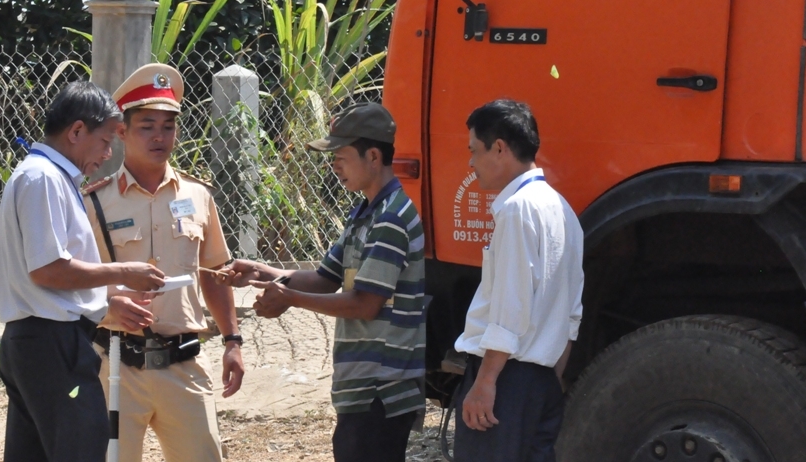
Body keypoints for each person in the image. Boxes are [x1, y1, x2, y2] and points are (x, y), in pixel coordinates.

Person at [219, 102, 426, 462]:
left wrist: (288, 297)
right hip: (365, 386)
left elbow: (365, 303)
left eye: (341, 157)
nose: (334, 166)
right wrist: (263, 272)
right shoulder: (365, 213)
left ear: (373, 156)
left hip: (381, 389)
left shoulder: (390, 219)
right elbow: (325, 278)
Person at [0, 81, 165, 462]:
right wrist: (122, 271)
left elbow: (50, 271)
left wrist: (109, 294)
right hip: (53, 345)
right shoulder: (43, 179)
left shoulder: (46, 177)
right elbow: (49, 271)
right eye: (105, 141)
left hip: (40, 343)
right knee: (81, 448)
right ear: (76, 131)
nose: (107, 154)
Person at [82, 63, 245, 462]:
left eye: (168, 127)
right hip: (116, 365)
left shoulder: (198, 195)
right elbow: (74, 278)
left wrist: (232, 341)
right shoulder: (94, 202)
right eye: (147, 126)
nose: (160, 136)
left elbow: (214, 275)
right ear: (122, 131)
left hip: (183, 365)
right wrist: (110, 301)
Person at [452, 99, 584, 462]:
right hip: (541, 379)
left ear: (499, 148)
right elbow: (571, 313)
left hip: (507, 379)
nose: (470, 162)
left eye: (474, 150)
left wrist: (486, 382)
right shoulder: (562, 209)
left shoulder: (517, 210)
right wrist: (545, 382)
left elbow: (510, 308)